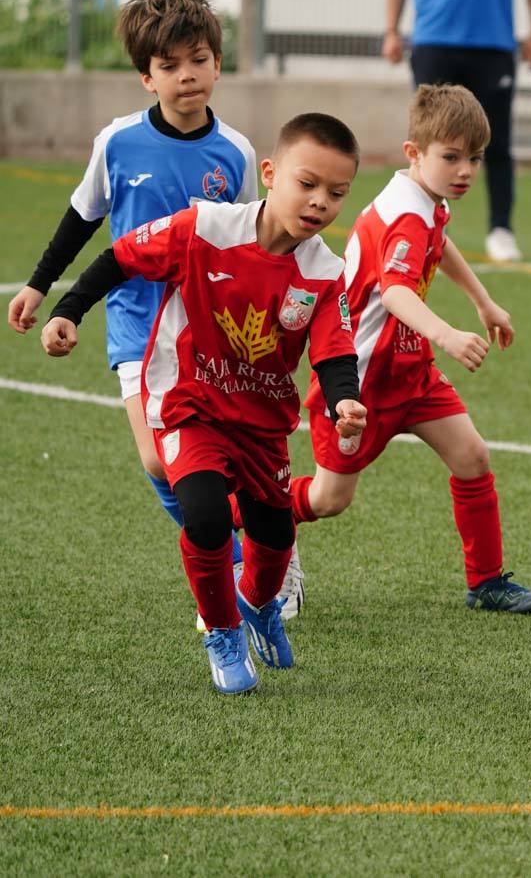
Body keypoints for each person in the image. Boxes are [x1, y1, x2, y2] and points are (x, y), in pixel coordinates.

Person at [41, 114, 367, 695]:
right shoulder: (207, 227)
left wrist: (345, 400)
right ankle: (222, 631)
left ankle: (258, 602)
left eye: (337, 193)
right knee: (208, 516)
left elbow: (335, 352)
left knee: (273, 535)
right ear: (269, 174)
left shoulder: (325, 272)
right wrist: (70, 309)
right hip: (187, 400)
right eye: (307, 184)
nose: (320, 202)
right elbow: (121, 257)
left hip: (262, 422)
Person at [2, 0, 303, 608]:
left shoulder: (237, 152)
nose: (187, 76)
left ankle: (265, 555)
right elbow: (82, 217)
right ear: (147, 77)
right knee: (160, 462)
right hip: (138, 324)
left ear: (218, 64)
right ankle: (245, 560)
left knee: (227, 456)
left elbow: (247, 240)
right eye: (170, 66)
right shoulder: (118, 142)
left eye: (199, 60)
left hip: (210, 330)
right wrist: (40, 286)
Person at [281, 84, 531, 614]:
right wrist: (447, 334)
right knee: (329, 500)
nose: (466, 170)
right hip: (359, 383)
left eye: (474, 158)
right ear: (415, 153)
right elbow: (396, 290)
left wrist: (483, 300)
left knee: (472, 456)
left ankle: (487, 581)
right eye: (451, 157)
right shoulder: (406, 214)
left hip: (411, 373)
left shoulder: (423, 200)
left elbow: (441, 242)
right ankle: (253, 515)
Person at [382, 0, 531, 263]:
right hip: (433, 42)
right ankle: (417, 224)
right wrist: (391, 30)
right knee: (428, 142)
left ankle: (501, 230)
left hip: (493, 46)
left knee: (496, 142)